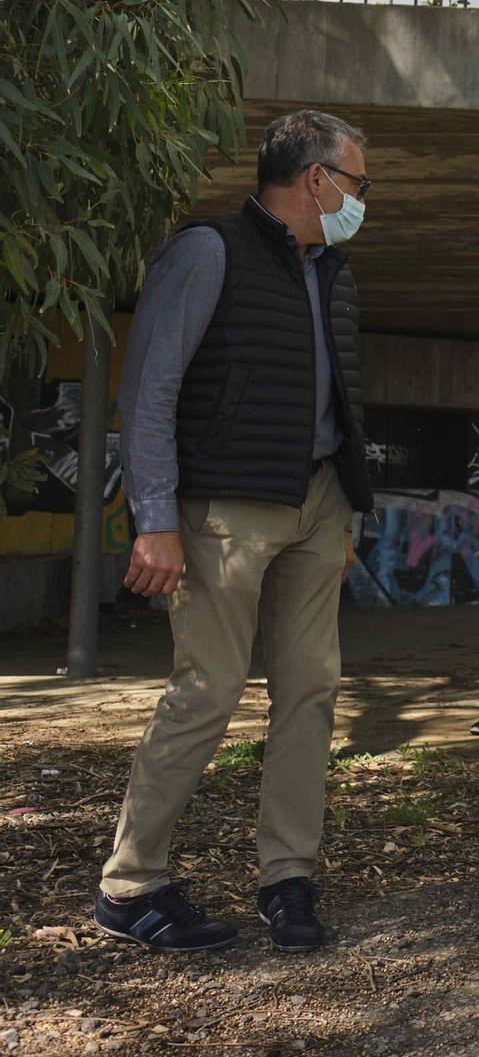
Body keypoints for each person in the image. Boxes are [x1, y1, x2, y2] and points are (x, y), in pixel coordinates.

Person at [95, 110, 373, 955]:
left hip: (319, 503)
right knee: (208, 689)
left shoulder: (336, 271)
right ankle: (131, 882)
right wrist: (154, 519)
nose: (365, 198)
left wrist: (349, 510)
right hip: (225, 510)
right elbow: (149, 392)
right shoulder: (207, 251)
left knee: (311, 688)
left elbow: (342, 402)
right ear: (314, 179)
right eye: (358, 182)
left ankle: (288, 876)